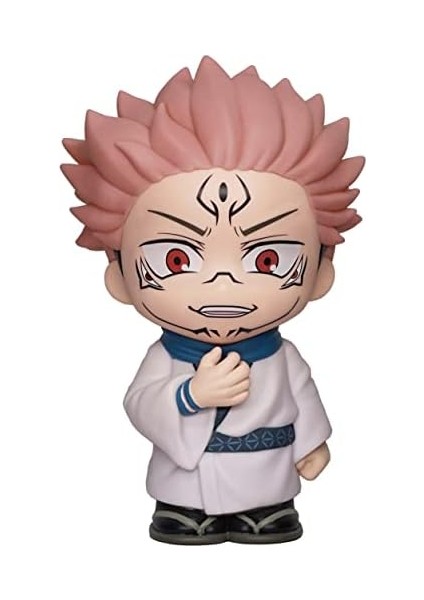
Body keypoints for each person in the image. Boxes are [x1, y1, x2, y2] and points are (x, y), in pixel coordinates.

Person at [61, 56, 364, 545]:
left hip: (266, 472)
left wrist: (313, 443)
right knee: (185, 507)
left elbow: (303, 397)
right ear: (119, 276)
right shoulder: (168, 357)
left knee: (267, 506)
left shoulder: (281, 357)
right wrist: (190, 395)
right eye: (177, 259)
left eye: (267, 259)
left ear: (320, 272)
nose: (223, 285)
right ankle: (185, 513)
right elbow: (138, 404)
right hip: (187, 480)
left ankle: (265, 511)